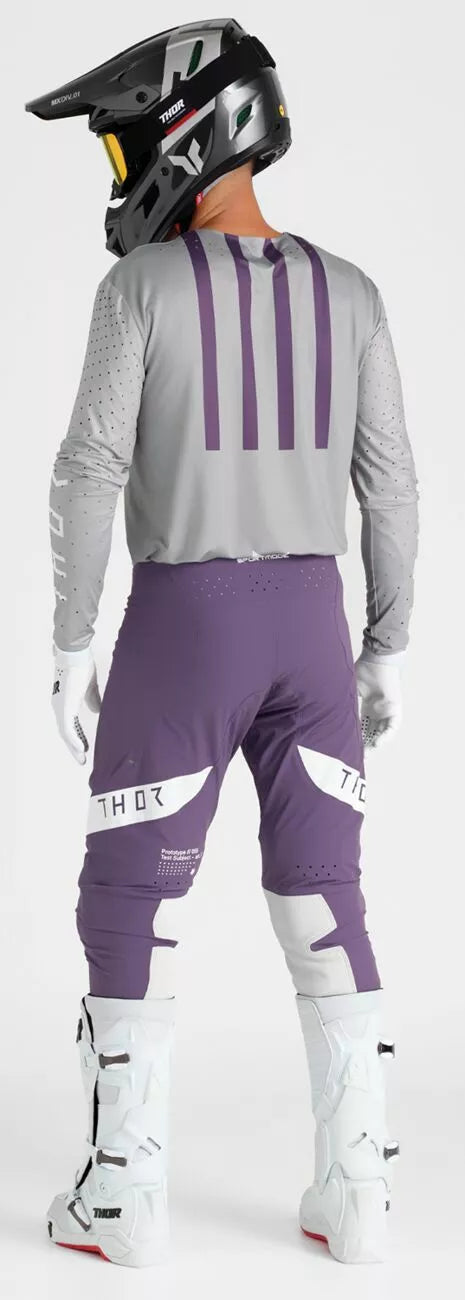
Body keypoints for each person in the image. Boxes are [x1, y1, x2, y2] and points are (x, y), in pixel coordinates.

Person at [26, 16, 418, 1269]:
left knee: (131, 894)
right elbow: (392, 485)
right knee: (325, 889)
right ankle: (361, 1194)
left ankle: (122, 1195)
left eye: (124, 146)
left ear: (183, 137)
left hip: (186, 625)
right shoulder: (352, 292)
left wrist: (70, 639)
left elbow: (88, 468)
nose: (121, 173)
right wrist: (386, 643)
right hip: (314, 631)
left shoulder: (139, 290)